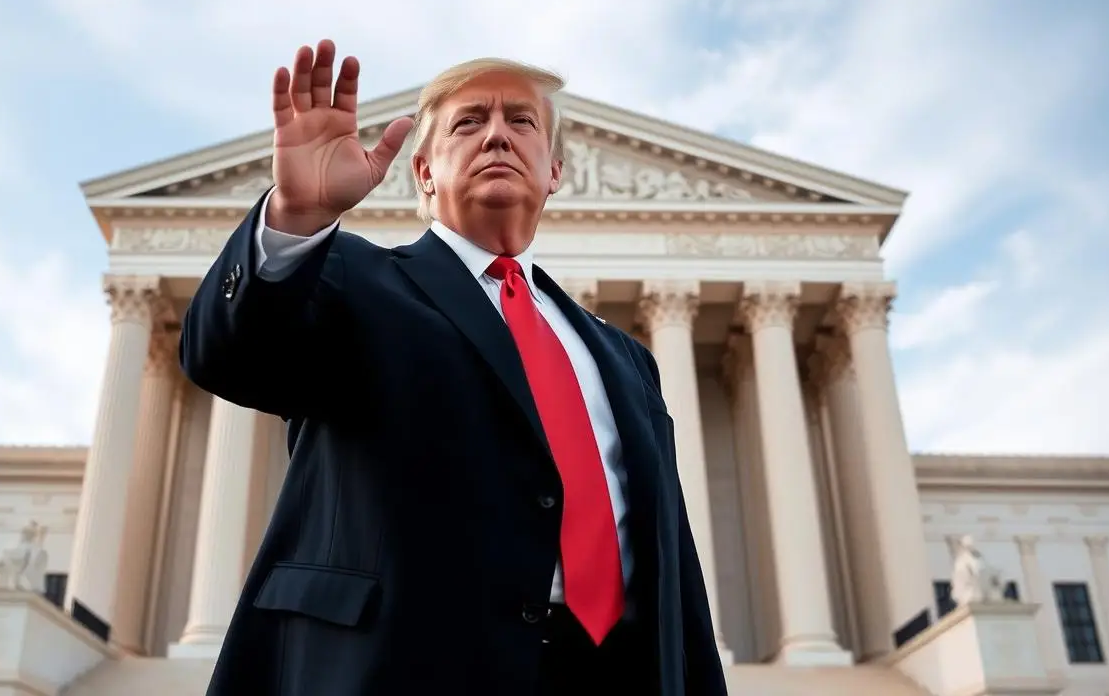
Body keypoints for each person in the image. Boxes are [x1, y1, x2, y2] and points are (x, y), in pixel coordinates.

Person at [179, 39, 728, 696]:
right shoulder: (354, 282)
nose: (497, 134)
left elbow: (671, 564)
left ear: (554, 170)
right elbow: (230, 357)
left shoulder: (624, 359)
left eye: (521, 121)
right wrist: (297, 217)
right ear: (424, 171)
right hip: (405, 669)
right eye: (470, 122)